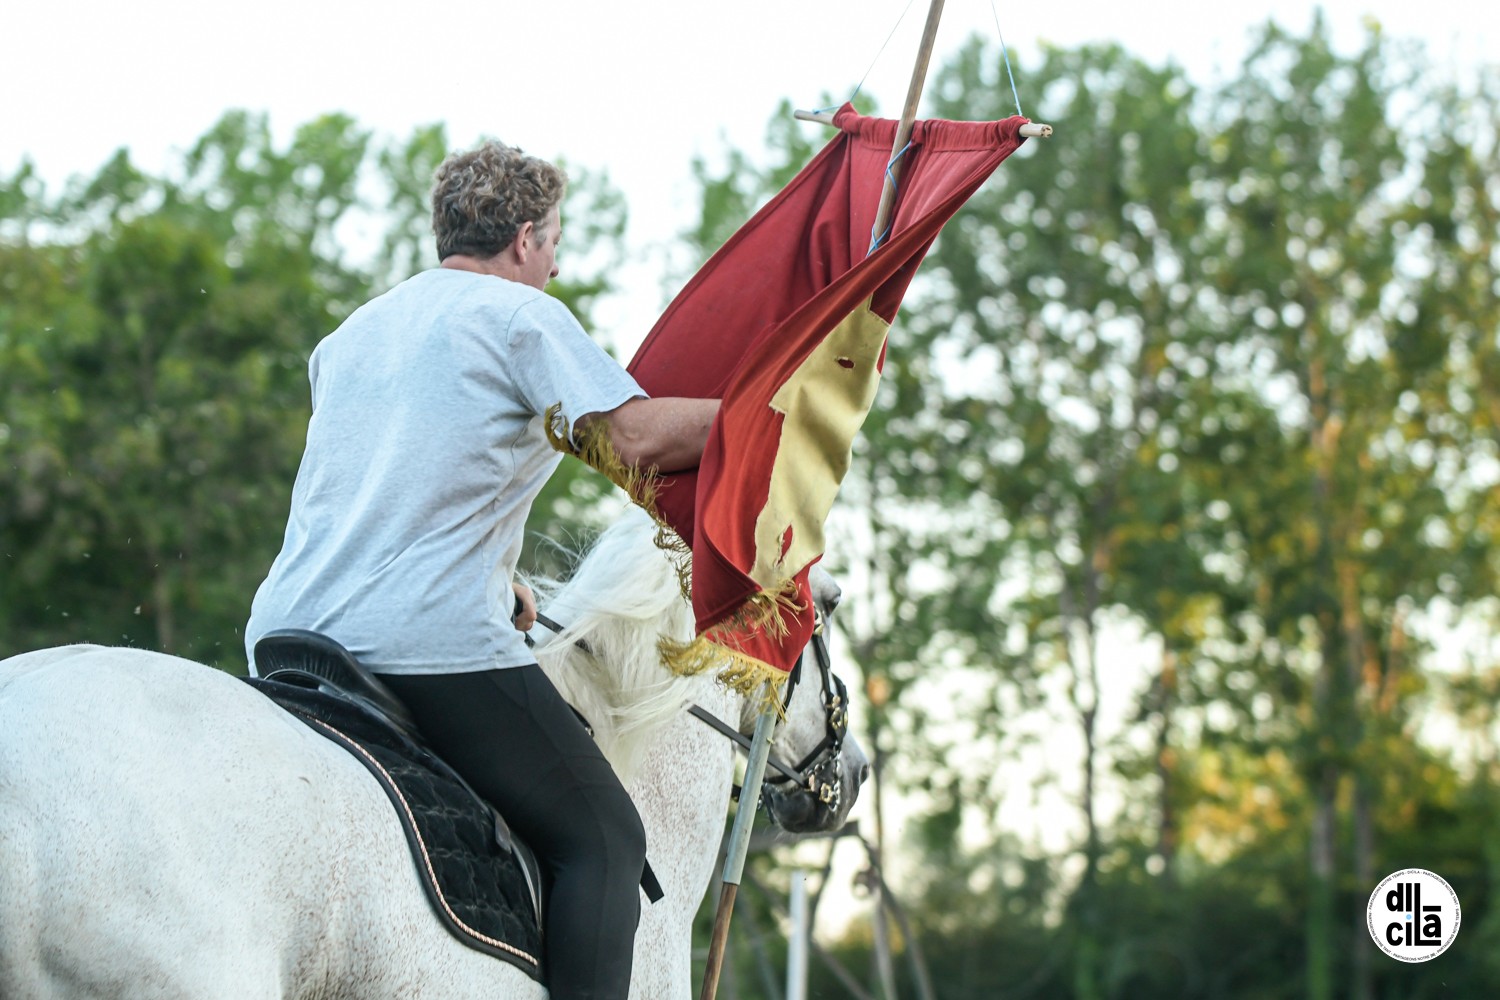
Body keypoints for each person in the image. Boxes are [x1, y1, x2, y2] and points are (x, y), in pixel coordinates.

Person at [244, 140, 718, 999]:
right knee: (606, 837)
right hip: (422, 649)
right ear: (527, 238)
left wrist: (504, 591)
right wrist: (773, 418)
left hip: (287, 632)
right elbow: (637, 440)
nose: (557, 262)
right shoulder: (518, 317)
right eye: (557, 244)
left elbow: (396, 492)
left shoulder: (349, 336)